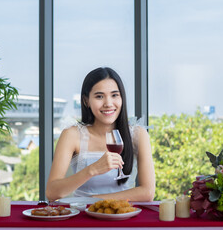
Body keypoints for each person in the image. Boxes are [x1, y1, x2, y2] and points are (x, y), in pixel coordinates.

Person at [46, 67, 155, 201]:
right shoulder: (72, 135)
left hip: (123, 213)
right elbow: (51, 192)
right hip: (83, 216)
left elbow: (148, 192)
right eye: (99, 96)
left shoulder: (137, 134)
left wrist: (96, 200)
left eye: (114, 95)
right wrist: (92, 170)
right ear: (86, 101)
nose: (108, 104)